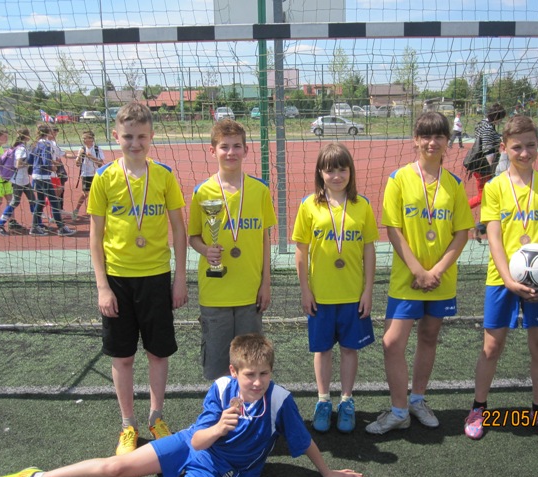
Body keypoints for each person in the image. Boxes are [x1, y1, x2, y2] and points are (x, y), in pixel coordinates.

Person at [0, 334, 366, 477]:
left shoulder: (280, 400)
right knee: (115, 468)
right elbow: (199, 440)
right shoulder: (222, 389)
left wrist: (327, 472)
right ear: (234, 371)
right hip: (191, 444)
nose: (257, 382)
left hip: (220, 470)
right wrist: (220, 426)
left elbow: (303, 441)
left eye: (264, 374)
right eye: (249, 374)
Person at [87, 101, 188, 455]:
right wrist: (102, 287)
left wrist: (179, 278)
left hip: (156, 277)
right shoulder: (104, 177)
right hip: (117, 280)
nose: (135, 143)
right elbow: (95, 238)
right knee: (123, 357)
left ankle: (156, 417)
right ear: (116, 136)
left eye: (141, 137)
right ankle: (128, 424)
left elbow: (179, 229)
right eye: (128, 137)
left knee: (158, 353)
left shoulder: (164, 175)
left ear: (152, 136)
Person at [463, 115, 538, 441]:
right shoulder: (495, 188)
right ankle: (478, 408)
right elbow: (494, 239)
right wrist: (509, 280)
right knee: (492, 346)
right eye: (517, 147)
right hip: (502, 279)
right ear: (503, 148)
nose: (524, 153)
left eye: (530, 145)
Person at [366, 112, 474, 435]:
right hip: (407, 279)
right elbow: (393, 229)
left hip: (440, 279)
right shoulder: (398, 179)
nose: (432, 142)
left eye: (439, 136)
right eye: (425, 136)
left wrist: (435, 271)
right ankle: (399, 410)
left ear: (447, 141)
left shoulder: (454, 185)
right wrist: (418, 270)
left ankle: (417, 399)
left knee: (428, 337)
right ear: (415, 140)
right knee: (392, 342)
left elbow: (462, 233)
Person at [292, 142, 378, 434]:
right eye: (330, 170)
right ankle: (323, 400)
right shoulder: (309, 205)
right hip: (321, 296)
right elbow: (301, 251)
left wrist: (368, 290)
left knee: (350, 349)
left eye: (342, 169)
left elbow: (369, 250)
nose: (337, 176)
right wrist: (305, 290)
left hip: (353, 295)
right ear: (320, 173)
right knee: (323, 350)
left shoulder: (362, 205)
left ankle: (347, 400)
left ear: (351, 171)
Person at [188, 119, 277, 380]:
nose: (231, 152)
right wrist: (206, 250)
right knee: (218, 365)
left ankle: (250, 406)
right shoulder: (202, 192)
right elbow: (193, 237)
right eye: (224, 147)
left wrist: (266, 284)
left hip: (250, 292)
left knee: (252, 364)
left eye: (237, 146)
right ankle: (221, 406)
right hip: (215, 293)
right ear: (212, 150)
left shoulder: (260, 190)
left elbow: (264, 240)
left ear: (246, 150)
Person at [29, 124, 76, 236]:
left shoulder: (35, 144)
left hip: (36, 176)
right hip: (44, 177)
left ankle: (34, 227)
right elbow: (46, 162)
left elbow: (30, 160)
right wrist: (52, 167)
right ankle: (61, 228)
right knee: (54, 201)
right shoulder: (47, 144)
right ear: (48, 132)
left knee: (40, 201)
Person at [469, 103, 507, 240]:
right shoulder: (487, 128)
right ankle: (460, 213)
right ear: (497, 117)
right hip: (483, 167)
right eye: (500, 118)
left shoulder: (483, 124)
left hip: (480, 166)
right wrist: (493, 169)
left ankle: (483, 224)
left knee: (488, 195)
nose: (500, 121)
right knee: (483, 196)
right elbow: (487, 149)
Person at [0, 128, 36, 235]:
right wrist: (30, 164)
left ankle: (37, 223)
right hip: (19, 180)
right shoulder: (21, 148)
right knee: (15, 202)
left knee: (33, 200)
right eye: (29, 134)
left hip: (24, 179)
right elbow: (17, 164)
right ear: (26, 136)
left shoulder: (23, 147)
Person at [72, 129, 105, 220]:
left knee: (97, 193)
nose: (84, 140)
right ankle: (76, 210)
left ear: (91, 139)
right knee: (85, 193)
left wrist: (91, 157)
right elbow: (77, 164)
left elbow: (100, 163)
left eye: (85, 138)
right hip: (86, 174)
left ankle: (95, 212)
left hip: (96, 174)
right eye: (83, 138)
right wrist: (80, 156)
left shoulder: (97, 149)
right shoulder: (82, 149)